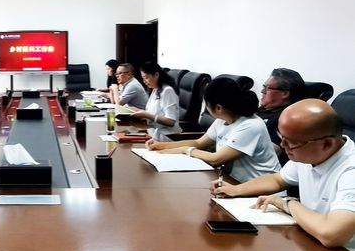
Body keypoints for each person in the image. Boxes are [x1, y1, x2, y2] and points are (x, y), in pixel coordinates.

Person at [212, 99, 355, 251]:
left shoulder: (351, 170)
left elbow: (332, 234)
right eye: (282, 137)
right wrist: (235, 190)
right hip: (313, 248)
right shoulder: (310, 152)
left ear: (327, 143)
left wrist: (289, 204)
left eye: (291, 143)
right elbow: (279, 179)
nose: (282, 146)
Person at [147, 77, 280, 182]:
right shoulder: (222, 119)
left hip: (263, 190)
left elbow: (216, 159)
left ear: (218, 108)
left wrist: (185, 150)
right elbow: (199, 143)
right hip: (235, 182)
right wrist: (160, 146)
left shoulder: (250, 125)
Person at [257, 68, 305, 165]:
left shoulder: (288, 118)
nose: (262, 91)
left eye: (268, 88)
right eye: (263, 86)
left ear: (285, 93)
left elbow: (271, 152)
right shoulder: (260, 110)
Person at [129, 61, 181, 141]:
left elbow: (171, 121)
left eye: (146, 77)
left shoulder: (167, 91)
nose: (144, 81)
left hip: (166, 137)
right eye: (143, 78)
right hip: (152, 133)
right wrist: (139, 111)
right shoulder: (155, 89)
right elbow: (154, 112)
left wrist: (147, 115)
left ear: (156, 75)